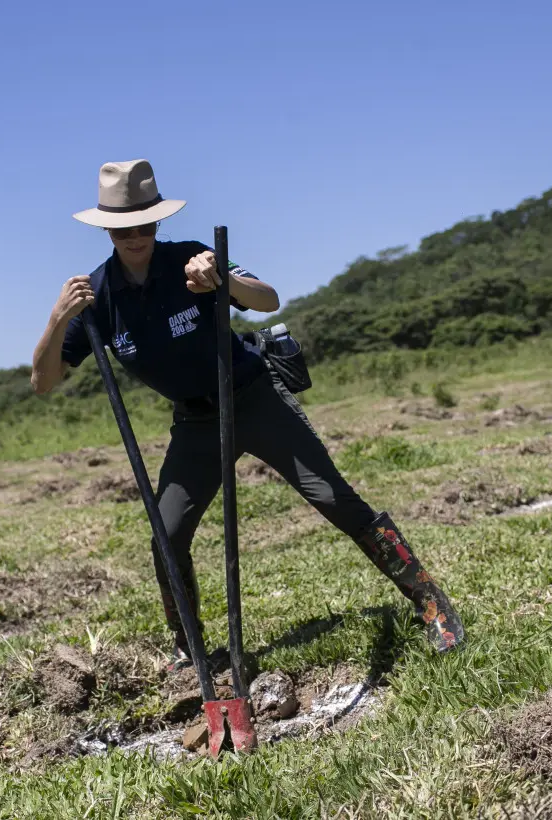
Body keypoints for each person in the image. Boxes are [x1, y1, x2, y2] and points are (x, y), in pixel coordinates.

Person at [31, 159, 464, 669]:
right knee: (165, 537)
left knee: (334, 499)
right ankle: (188, 647)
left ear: (159, 221)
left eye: (146, 223)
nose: (137, 235)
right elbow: (43, 382)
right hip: (195, 422)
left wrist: (221, 283)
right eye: (125, 227)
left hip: (253, 396)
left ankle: (431, 603)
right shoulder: (97, 296)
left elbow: (268, 297)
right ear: (107, 227)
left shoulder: (194, 257)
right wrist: (59, 318)